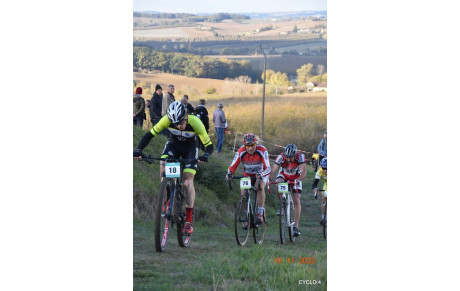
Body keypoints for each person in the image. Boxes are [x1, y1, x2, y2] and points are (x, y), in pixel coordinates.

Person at [133, 101, 213, 236]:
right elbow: (149, 135)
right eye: (175, 124)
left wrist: (205, 155)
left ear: (186, 116)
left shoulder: (195, 122)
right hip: (173, 146)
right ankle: (166, 192)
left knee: (188, 182)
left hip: (190, 149)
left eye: (181, 122)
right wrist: (139, 150)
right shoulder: (166, 120)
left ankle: (188, 219)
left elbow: (209, 144)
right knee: (163, 163)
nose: (179, 126)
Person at [226, 133, 271, 227]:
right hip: (247, 175)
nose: (250, 148)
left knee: (259, 186)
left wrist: (262, 174)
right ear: (245, 145)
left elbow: (268, 168)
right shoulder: (241, 151)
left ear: (256, 144)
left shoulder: (262, 150)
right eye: (248, 146)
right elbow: (233, 165)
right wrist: (229, 173)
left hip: (261, 174)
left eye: (253, 145)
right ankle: (247, 216)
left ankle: (259, 213)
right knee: (244, 195)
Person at [270, 144, 307, 237]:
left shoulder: (300, 156)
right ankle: (282, 203)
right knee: (278, 182)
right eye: (287, 157)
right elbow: (274, 169)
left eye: (291, 157)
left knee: (296, 200)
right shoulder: (281, 157)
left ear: (295, 155)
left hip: (296, 177)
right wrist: (269, 179)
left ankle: (296, 226)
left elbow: (304, 171)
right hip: (284, 175)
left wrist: (298, 180)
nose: (289, 159)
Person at [312, 157, 327, 226]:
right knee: (324, 198)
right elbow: (315, 184)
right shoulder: (319, 171)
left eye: (327, 168)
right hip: (327, 184)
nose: (325, 170)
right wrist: (315, 188)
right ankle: (323, 218)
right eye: (324, 168)